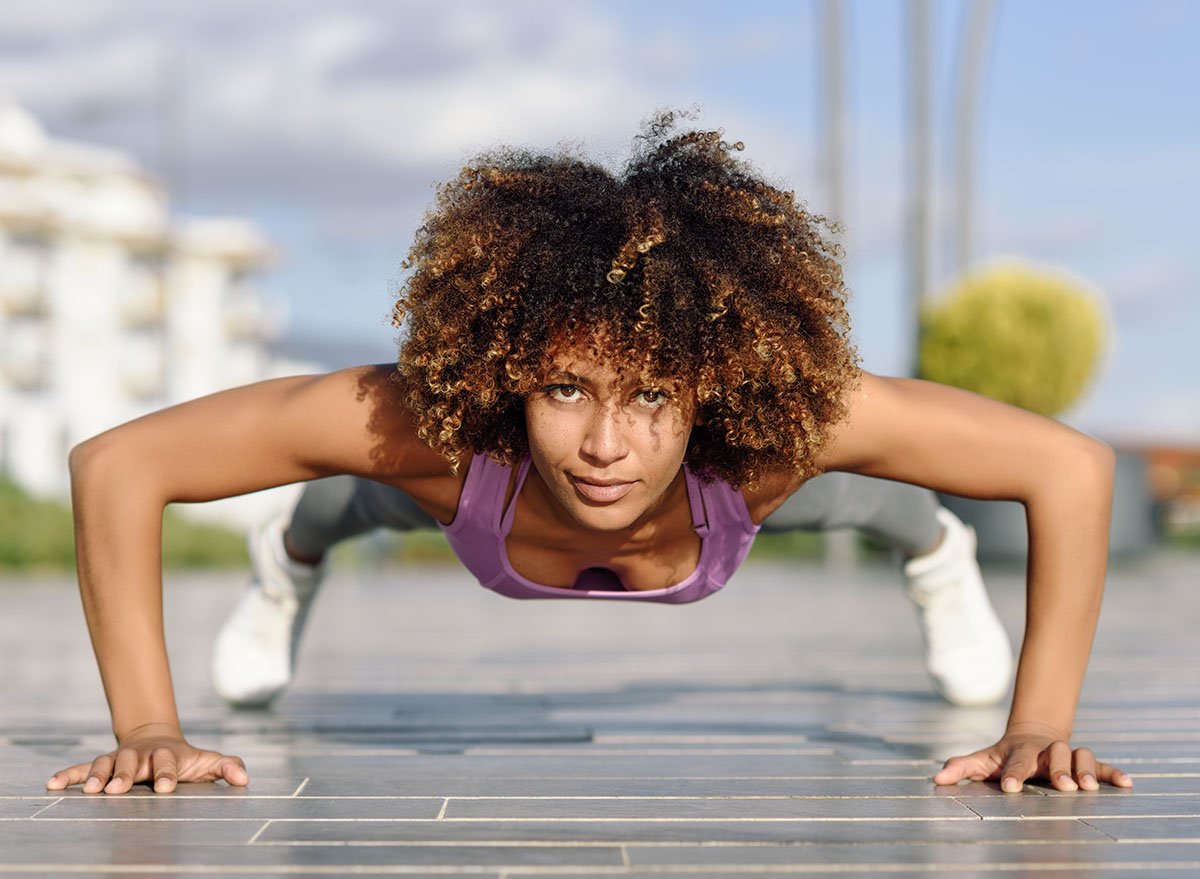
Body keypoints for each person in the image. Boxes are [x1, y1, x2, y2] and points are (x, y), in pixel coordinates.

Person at [46, 112, 1131, 797]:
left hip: (715, 517)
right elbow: (119, 465)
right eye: (563, 389)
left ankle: (933, 554)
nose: (606, 444)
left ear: (708, 381)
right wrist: (148, 727)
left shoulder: (763, 435)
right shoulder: (437, 431)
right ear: (513, 370)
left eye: (652, 394)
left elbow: (1070, 469)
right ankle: (288, 564)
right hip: (475, 511)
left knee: (860, 499)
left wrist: (1038, 725)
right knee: (351, 500)